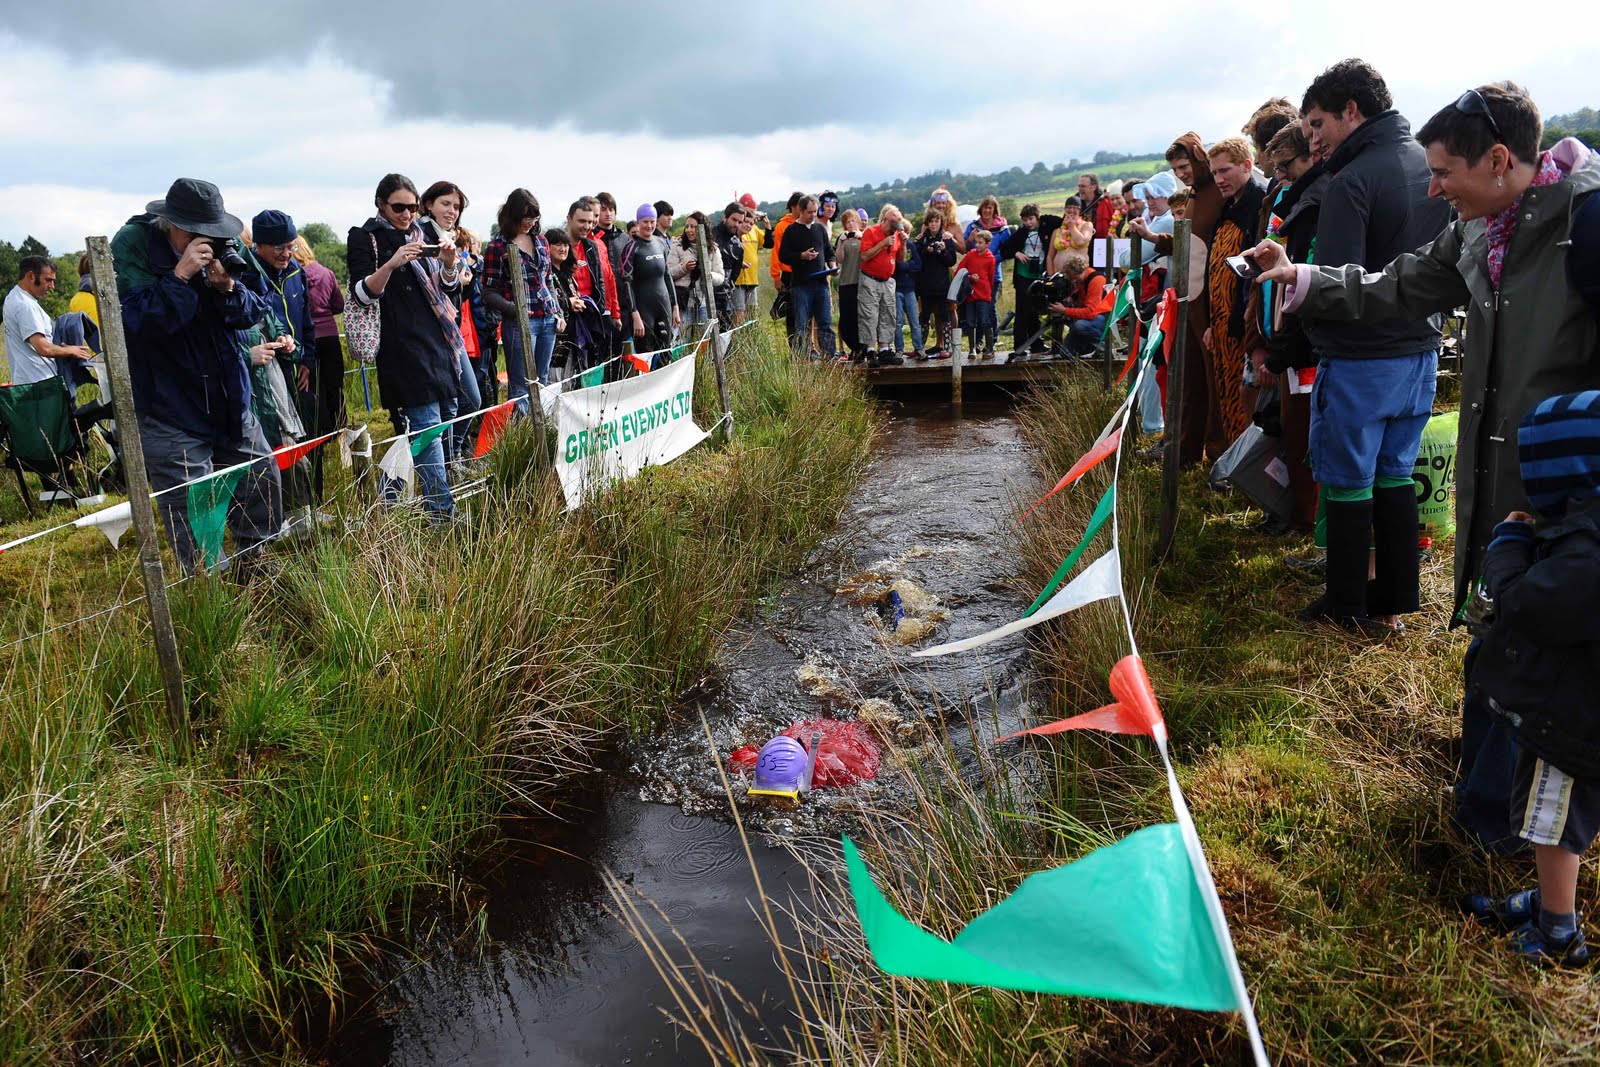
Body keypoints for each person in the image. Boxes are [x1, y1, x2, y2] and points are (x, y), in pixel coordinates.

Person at [1246, 81, 1600, 850]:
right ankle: (1483, 804)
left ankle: (1508, 837)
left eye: (1443, 173)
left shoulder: (1588, 227)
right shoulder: (1480, 228)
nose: (1431, 189)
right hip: (1498, 487)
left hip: (1570, 500)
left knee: (1537, 656)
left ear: (1499, 160)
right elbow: (1401, 283)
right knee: (1493, 629)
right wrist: (1304, 278)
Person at [1287, 58, 1454, 632]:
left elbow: (1336, 284)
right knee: (1396, 474)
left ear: (1351, 111)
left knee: (1349, 478)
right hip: (1421, 350)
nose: (1314, 139)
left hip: (1361, 359)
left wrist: (1308, 329)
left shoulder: (1350, 182)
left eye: (1318, 124)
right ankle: (1394, 602)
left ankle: (1346, 603)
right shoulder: (1426, 164)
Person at [1462, 391, 1600, 967]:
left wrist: (1508, 546)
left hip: (1569, 721)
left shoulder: (1586, 556)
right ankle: (1548, 901)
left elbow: (1524, 604)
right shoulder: (1584, 532)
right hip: (1573, 708)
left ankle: (1558, 933)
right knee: (1559, 820)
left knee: (1551, 825)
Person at [111, 178, 280, 573]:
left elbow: (259, 307)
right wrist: (180, 277)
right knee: (194, 509)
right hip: (169, 407)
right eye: (195, 231)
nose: (206, 239)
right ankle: (210, 592)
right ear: (170, 224)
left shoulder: (228, 244)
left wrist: (228, 288)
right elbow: (136, 324)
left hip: (230, 399)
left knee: (261, 479)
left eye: (212, 230)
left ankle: (255, 566)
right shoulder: (133, 246)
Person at [347, 173, 466, 519]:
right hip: (401, 348)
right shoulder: (365, 236)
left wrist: (449, 265)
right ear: (380, 204)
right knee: (428, 431)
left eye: (413, 208)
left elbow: (449, 291)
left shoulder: (423, 233)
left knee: (443, 420)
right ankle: (442, 514)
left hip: (439, 342)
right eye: (399, 207)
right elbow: (361, 294)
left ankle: (386, 496)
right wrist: (392, 263)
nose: (407, 214)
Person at [1239, 123, 1326, 532]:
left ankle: (1306, 521)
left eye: (1286, 165)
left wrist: (1281, 352)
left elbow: (1306, 284)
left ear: (1312, 153)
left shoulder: (1316, 203)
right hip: (1287, 337)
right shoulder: (1295, 198)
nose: (1280, 175)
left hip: (1305, 347)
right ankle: (1296, 513)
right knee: (1292, 432)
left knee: (1304, 435)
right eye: (1275, 167)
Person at [1132, 132, 1227, 467]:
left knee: (1212, 380)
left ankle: (1216, 455)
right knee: (1187, 377)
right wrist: (1151, 237)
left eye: (1184, 166)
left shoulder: (1218, 193)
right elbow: (1185, 242)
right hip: (1189, 296)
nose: (1181, 173)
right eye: (1175, 169)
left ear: (1199, 159)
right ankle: (1184, 452)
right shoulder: (1195, 195)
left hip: (1212, 296)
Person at [1203, 137, 1268, 450]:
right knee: (1227, 396)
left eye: (1225, 170)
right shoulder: (1228, 207)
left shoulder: (1259, 206)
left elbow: (1255, 275)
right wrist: (1211, 324)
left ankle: (1246, 468)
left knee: (1247, 401)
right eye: (1215, 173)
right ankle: (1232, 463)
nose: (1219, 179)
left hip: (1245, 323)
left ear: (1247, 165)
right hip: (1221, 324)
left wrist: (1245, 325)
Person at [482, 189, 563, 404]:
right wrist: (514, 309)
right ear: (513, 215)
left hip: (547, 318)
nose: (530, 222)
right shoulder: (497, 247)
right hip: (518, 323)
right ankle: (521, 425)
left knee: (542, 380)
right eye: (525, 217)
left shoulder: (542, 241)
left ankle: (542, 424)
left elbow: (548, 281)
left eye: (534, 217)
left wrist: (558, 312)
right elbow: (488, 292)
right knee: (520, 385)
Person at [418, 182, 482, 453]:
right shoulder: (420, 235)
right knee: (450, 404)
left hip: (451, 331)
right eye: (446, 204)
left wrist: (462, 280)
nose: (452, 211)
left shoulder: (448, 238)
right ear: (428, 204)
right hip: (429, 333)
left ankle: (452, 455)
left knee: (470, 399)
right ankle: (446, 462)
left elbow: (455, 293)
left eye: (456, 207)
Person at [290, 236, 347, 498]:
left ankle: (319, 434)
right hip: (330, 336)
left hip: (306, 339)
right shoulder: (326, 273)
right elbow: (339, 304)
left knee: (313, 390)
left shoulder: (293, 276)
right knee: (335, 386)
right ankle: (340, 433)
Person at [4, 256, 94, 385]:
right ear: (30, 276)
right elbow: (43, 348)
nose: (52, 286)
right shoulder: (26, 306)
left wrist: (61, 346)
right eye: (48, 280)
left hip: (27, 380)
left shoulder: (12, 297)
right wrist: (71, 350)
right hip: (40, 383)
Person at [618, 202, 679, 361]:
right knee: (645, 357)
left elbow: (667, 276)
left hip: (664, 307)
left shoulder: (660, 243)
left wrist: (675, 306)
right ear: (638, 222)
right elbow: (627, 283)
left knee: (666, 354)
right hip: (643, 311)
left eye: (652, 221)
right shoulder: (631, 248)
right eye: (645, 222)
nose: (649, 225)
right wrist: (635, 315)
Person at [777, 194, 836, 358]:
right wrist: (801, 256)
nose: (813, 215)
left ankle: (829, 357)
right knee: (801, 324)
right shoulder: (791, 230)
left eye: (815, 212)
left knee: (825, 322)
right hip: (801, 285)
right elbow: (783, 256)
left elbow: (829, 252)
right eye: (810, 212)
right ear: (801, 211)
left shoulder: (819, 229)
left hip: (821, 283)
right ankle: (801, 358)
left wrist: (833, 267)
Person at [565, 197, 620, 370]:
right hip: (568, 313)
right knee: (568, 368)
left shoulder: (591, 245)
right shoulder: (558, 245)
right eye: (582, 221)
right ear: (569, 219)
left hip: (591, 313)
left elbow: (601, 280)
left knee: (592, 366)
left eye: (590, 222)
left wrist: (602, 309)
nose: (587, 226)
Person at [858, 204, 905, 366]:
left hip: (887, 280)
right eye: (892, 225)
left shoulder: (897, 235)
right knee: (869, 315)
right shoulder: (871, 232)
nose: (894, 229)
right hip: (870, 279)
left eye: (896, 226)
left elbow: (901, 259)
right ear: (884, 220)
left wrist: (903, 243)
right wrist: (883, 243)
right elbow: (864, 256)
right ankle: (870, 350)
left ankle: (884, 349)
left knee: (888, 315)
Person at [1047, 252, 1114, 356]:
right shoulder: (1080, 281)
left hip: (1103, 319)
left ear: (1080, 272)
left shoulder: (1096, 280)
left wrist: (1064, 310)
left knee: (1080, 325)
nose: (1073, 281)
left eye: (1074, 277)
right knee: (1065, 354)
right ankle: (1087, 348)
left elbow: (1091, 312)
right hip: (1088, 320)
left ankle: (1103, 346)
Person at [963, 195, 1008, 350]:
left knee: (989, 307)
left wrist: (990, 259)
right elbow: (965, 249)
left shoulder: (1002, 229)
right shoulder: (973, 226)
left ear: (995, 210)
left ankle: (992, 340)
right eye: (985, 207)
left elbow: (1007, 250)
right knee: (977, 308)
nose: (987, 210)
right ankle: (978, 341)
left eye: (990, 208)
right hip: (975, 276)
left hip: (993, 274)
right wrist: (970, 240)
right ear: (980, 209)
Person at [914, 207, 958, 358]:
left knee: (944, 315)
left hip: (941, 285)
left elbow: (951, 261)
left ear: (941, 223)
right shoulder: (921, 239)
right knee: (924, 316)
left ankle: (947, 347)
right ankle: (919, 348)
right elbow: (916, 259)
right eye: (931, 221)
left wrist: (943, 251)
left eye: (936, 221)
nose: (934, 224)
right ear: (927, 223)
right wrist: (926, 250)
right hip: (925, 286)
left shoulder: (946, 239)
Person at [956, 230, 998, 356]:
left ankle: (989, 348)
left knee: (984, 320)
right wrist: (969, 278)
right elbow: (960, 270)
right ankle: (972, 349)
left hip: (983, 294)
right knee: (970, 321)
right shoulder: (970, 255)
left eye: (980, 243)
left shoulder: (990, 259)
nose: (977, 245)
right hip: (970, 293)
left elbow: (991, 278)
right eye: (976, 242)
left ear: (988, 244)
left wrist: (988, 293)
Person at [834, 207, 864, 360]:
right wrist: (841, 242)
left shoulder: (864, 236)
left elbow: (867, 255)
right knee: (846, 318)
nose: (851, 224)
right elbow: (839, 259)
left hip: (862, 283)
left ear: (858, 222)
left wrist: (861, 239)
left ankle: (862, 348)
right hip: (846, 282)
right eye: (848, 222)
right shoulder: (842, 239)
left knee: (861, 317)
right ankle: (854, 347)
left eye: (853, 221)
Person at [892, 218, 925, 359]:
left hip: (910, 289)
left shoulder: (911, 246)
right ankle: (899, 349)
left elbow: (917, 265)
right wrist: (906, 266)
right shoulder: (894, 246)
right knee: (897, 321)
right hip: (897, 288)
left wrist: (905, 266)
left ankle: (919, 348)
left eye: (906, 231)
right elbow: (894, 266)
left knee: (914, 321)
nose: (904, 234)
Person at [669, 212, 708, 325]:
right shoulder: (677, 246)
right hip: (683, 300)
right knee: (683, 333)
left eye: (693, 227)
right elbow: (668, 273)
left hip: (704, 300)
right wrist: (684, 268)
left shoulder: (711, 248)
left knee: (704, 334)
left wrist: (708, 275)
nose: (688, 230)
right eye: (687, 226)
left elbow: (720, 275)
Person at [734, 193, 767, 323]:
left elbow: (768, 243)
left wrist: (768, 226)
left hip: (752, 277)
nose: (751, 214)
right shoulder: (735, 228)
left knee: (752, 313)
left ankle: (752, 335)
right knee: (739, 313)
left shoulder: (754, 228)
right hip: (737, 279)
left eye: (753, 211)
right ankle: (738, 335)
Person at [1078, 173, 1117, 239]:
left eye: (1083, 186)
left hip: (1101, 241)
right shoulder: (1075, 204)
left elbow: (1115, 221)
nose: (1080, 189)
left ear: (1094, 187)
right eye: (1079, 186)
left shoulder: (1105, 203)